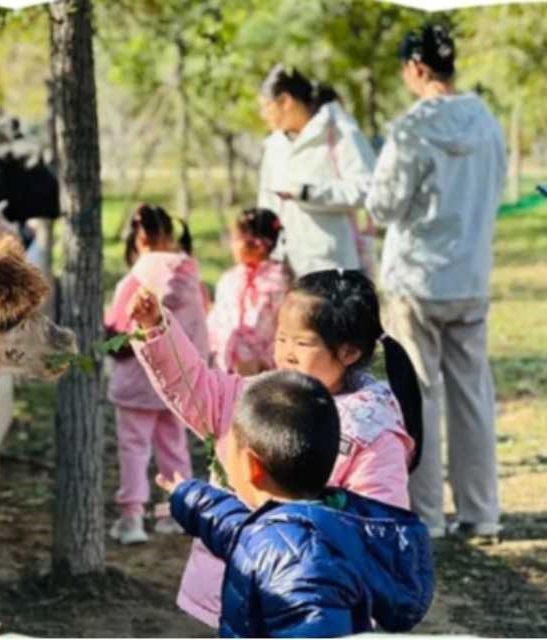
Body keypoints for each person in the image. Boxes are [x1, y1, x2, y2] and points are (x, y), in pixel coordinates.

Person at [126, 268, 423, 629]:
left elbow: (377, 533)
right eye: (282, 338)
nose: (287, 354)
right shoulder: (263, 394)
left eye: (302, 343)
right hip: (230, 587)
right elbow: (198, 390)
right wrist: (158, 330)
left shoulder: (371, 430)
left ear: (348, 351)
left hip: (311, 602)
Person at [154, 370, 434, 637]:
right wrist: (189, 497)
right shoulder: (322, 518)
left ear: (252, 466)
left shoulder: (299, 565)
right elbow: (238, 529)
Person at [365, 23, 507, 541]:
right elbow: (495, 187)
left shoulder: (410, 129)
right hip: (470, 274)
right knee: (472, 395)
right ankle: (481, 512)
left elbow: (382, 206)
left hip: (417, 281)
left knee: (418, 394)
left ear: (417, 68)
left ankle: (426, 514)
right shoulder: (488, 122)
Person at [103, 203, 210, 545]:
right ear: (168, 234)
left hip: (137, 381)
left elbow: (116, 334)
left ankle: (132, 519)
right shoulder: (191, 277)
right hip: (178, 380)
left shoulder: (133, 280)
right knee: (174, 447)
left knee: (134, 448)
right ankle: (173, 515)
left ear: (137, 239)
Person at [256, 64, 378, 278]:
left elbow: (368, 188)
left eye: (266, 106)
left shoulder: (339, 133)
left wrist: (307, 192)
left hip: (333, 265)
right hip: (285, 267)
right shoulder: (274, 145)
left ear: (286, 101)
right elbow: (266, 202)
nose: (263, 115)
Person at [205, 207, 289, 376]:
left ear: (259, 244)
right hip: (227, 364)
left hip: (265, 368)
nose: (232, 244)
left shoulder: (279, 281)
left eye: (237, 238)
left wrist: (263, 360)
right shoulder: (230, 279)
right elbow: (219, 320)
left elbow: (282, 324)